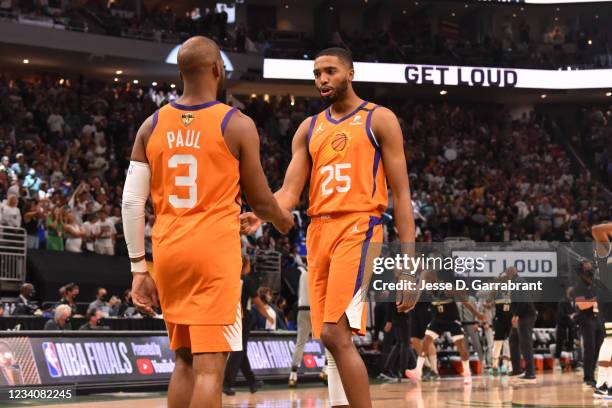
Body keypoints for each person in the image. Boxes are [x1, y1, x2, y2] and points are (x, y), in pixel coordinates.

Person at [121, 36, 293, 408]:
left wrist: (138, 269)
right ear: (218, 69)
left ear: (181, 71)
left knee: (183, 363)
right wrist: (282, 219)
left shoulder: (150, 125)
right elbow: (262, 201)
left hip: (168, 252)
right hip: (213, 255)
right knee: (210, 369)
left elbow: (131, 202)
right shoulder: (237, 123)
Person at [241, 47, 416, 407]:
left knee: (335, 333)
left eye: (331, 71)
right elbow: (290, 191)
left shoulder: (379, 119)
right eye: (317, 73)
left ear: (351, 73)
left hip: (360, 226)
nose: (322, 79)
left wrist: (408, 265)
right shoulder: (309, 128)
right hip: (318, 232)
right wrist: (264, 212)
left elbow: (401, 195)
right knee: (328, 336)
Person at [406, 269, 484, 385]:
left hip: (452, 320)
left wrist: (477, 314)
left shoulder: (447, 288)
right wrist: (409, 306)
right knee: (426, 341)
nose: (424, 281)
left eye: (426, 279)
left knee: (461, 347)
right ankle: (418, 371)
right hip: (437, 320)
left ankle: (467, 374)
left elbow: (464, 301)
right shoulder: (427, 289)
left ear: (433, 277)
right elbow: (416, 297)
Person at [223, 256, 272, 395]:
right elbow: (257, 301)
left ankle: (252, 381)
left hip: (230, 316)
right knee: (238, 351)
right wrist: (267, 315)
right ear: (246, 265)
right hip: (243, 317)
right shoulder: (247, 281)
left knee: (241, 351)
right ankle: (226, 382)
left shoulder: (230, 279)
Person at [288, 265, 328, 387]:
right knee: (326, 340)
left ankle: (293, 376)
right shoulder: (320, 273)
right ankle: (325, 370)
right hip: (315, 309)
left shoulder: (303, 274)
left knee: (300, 342)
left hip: (302, 309)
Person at [573, 260, 604, 389]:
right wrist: (596, 300)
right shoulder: (578, 286)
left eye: (591, 266)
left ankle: (592, 376)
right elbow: (581, 304)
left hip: (598, 319)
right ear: (582, 270)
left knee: (597, 349)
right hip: (586, 320)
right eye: (588, 266)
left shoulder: (596, 283)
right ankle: (587, 378)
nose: (591, 268)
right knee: (589, 350)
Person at [591, 223, 612, 398]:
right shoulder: (606, 248)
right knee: (610, 339)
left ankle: (608, 384)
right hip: (607, 300)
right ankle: (602, 384)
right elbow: (596, 230)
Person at [508, 266, 538, 385]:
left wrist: (516, 315)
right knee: (513, 340)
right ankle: (516, 369)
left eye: (508, 272)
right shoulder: (516, 282)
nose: (507, 274)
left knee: (526, 344)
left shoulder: (519, 282)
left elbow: (523, 301)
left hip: (525, 316)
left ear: (512, 272)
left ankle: (530, 372)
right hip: (522, 315)